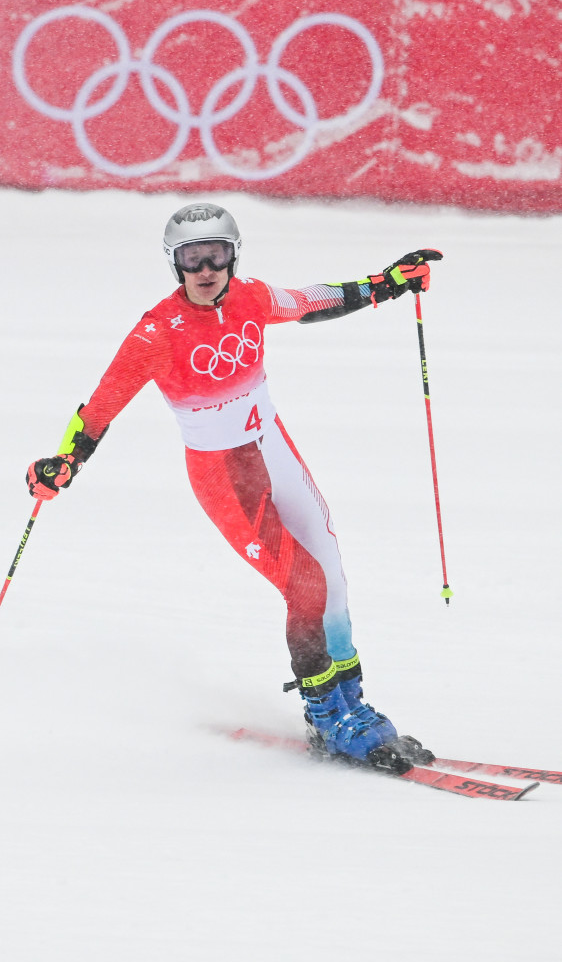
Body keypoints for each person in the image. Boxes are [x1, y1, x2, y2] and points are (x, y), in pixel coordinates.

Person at [26, 203, 441, 763]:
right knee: (305, 586)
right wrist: (64, 462)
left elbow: (311, 301)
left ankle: (350, 701)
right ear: (175, 264)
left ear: (233, 255)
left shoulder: (250, 296)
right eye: (191, 259)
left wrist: (384, 284)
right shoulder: (156, 332)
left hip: (273, 446)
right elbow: (99, 408)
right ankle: (327, 716)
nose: (205, 269)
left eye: (216, 255)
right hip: (226, 475)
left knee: (332, 576)